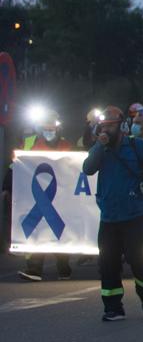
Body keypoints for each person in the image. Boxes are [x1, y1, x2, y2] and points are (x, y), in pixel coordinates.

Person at [82, 105, 143, 321]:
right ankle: (113, 307)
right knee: (107, 263)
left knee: (137, 260)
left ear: (122, 126)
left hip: (134, 214)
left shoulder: (137, 147)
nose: (106, 130)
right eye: (104, 126)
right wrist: (99, 147)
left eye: (111, 126)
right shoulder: (100, 149)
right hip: (109, 217)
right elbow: (88, 168)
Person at [17, 112, 74, 282]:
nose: (49, 131)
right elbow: (19, 167)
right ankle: (35, 269)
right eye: (46, 128)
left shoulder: (66, 146)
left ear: (58, 128)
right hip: (38, 195)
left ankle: (64, 269)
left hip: (60, 195)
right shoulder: (34, 145)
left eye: (52, 128)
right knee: (38, 230)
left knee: (58, 231)